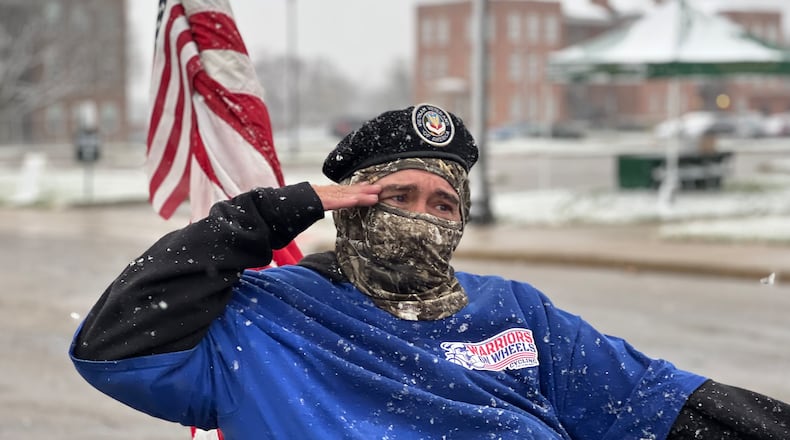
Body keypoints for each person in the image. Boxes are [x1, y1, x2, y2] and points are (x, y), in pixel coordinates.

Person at [70, 103, 788, 439]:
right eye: (396, 196)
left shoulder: (515, 311)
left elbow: (654, 404)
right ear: (349, 206)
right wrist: (269, 214)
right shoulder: (264, 316)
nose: (423, 217)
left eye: (443, 202)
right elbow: (118, 345)